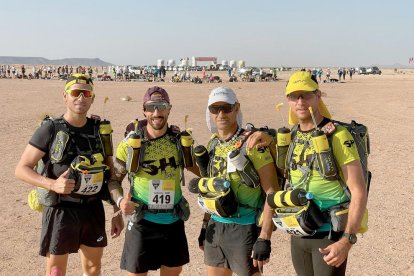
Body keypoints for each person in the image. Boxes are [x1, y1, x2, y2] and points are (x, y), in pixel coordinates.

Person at [247, 71, 367, 276]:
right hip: (299, 231)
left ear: (318, 96)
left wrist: (347, 241)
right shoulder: (291, 137)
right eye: (295, 96)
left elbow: (359, 190)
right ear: (288, 100)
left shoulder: (337, 135)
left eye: (306, 95)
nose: (300, 101)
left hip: (329, 234)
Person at [15, 73, 123, 276]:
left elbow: (111, 173)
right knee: (56, 271)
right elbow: (21, 169)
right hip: (61, 210)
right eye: (76, 92)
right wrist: (52, 184)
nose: (81, 97)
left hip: (92, 209)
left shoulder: (101, 130)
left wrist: (117, 211)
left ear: (92, 98)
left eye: (86, 93)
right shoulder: (50, 129)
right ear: (65, 96)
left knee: (93, 269)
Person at [108, 86, 199, 276]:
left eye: (161, 106)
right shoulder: (131, 144)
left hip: (173, 220)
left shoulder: (179, 142)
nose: (156, 112)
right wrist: (119, 203)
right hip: (142, 221)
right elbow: (114, 180)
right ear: (144, 110)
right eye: (151, 107)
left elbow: (200, 171)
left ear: (169, 108)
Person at [199, 87, 279, 276]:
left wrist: (264, 237)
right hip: (215, 227)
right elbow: (212, 189)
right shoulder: (213, 144)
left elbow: (272, 191)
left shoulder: (252, 144)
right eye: (215, 109)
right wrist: (204, 225)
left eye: (226, 108)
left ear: (237, 108)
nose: (221, 114)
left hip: (245, 229)